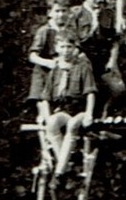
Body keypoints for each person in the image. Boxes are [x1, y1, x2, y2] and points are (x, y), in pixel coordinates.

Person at [38, 31, 95, 178]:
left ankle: (60, 171)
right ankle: (65, 163)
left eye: (69, 47)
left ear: (74, 48)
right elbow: (45, 97)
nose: (66, 51)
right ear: (57, 48)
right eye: (62, 47)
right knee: (51, 124)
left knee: (73, 125)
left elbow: (90, 93)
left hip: (80, 110)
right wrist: (47, 116)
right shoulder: (55, 71)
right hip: (64, 110)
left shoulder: (83, 67)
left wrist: (89, 113)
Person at [26, 0, 72, 157]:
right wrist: (48, 63)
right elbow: (32, 55)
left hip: (59, 79)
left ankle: (62, 150)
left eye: (64, 11)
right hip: (44, 76)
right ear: (50, 13)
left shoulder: (68, 31)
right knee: (45, 114)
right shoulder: (44, 31)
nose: (61, 15)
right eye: (58, 11)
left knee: (60, 116)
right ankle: (52, 148)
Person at [70, 0, 122, 116]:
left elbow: (115, 41)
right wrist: (93, 26)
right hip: (83, 63)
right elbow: (72, 42)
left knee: (118, 89)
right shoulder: (75, 14)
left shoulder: (108, 14)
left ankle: (104, 117)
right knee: (85, 91)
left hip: (103, 63)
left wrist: (112, 61)